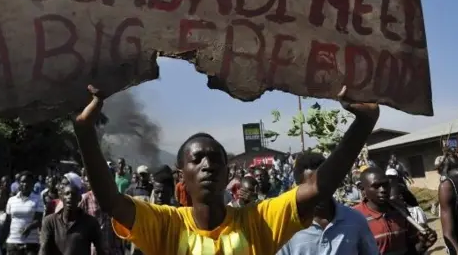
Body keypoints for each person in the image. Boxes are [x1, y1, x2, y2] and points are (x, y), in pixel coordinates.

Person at [72, 84, 380, 254]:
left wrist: (363, 125)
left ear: (227, 172)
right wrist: (85, 133)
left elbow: (318, 188)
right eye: (197, 160)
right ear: (182, 175)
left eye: (215, 159)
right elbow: (112, 201)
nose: (207, 166)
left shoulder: (258, 221)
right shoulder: (166, 225)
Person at [278, 152, 378, 255]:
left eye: (322, 185)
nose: (317, 193)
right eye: (310, 188)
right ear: (298, 189)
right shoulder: (287, 229)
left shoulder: (355, 220)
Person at [354, 167, 436, 255]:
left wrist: (423, 244)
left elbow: (410, 251)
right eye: (376, 186)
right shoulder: (354, 218)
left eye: (385, 185)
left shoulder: (401, 212)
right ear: (362, 189)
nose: (383, 190)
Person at [39, 182, 104, 255]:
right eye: (67, 194)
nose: (70, 196)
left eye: (74, 194)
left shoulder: (90, 222)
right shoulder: (50, 221)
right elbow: (44, 248)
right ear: (61, 197)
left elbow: (100, 249)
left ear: (79, 198)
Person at [5, 171, 43, 255]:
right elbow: (8, 222)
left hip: (30, 243)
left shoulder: (38, 199)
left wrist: (29, 227)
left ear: (33, 184)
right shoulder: (11, 200)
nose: (25, 184)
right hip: (12, 242)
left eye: (28, 182)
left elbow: (38, 220)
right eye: (22, 182)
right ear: (18, 183)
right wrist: (2, 239)